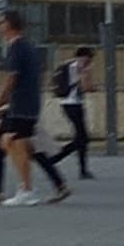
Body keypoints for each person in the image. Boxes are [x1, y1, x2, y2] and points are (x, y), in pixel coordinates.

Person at [0, 9, 71, 207]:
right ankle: (57, 184)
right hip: (25, 105)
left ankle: (25, 189)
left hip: (20, 108)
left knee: (11, 143)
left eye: (1, 23)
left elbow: (12, 79)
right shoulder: (27, 47)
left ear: (9, 24)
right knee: (19, 146)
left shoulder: (17, 48)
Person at [50, 46, 95, 180]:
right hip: (73, 104)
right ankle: (55, 158)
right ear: (85, 56)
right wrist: (88, 77)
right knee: (83, 138)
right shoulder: (80, 68)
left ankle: (82, 169)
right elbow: (86, 87)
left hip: (67, 103)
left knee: (81, 138)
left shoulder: (69, 65)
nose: (90, 61)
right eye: (90, 57)